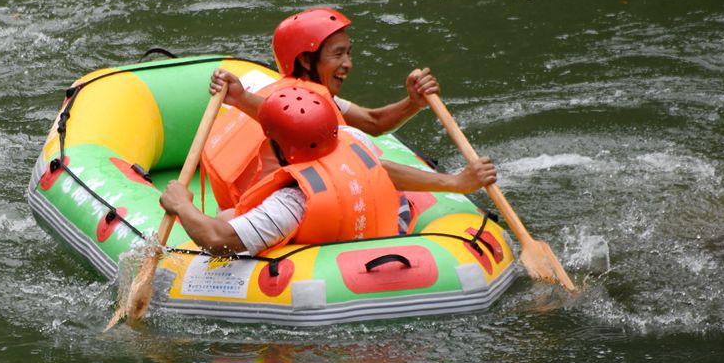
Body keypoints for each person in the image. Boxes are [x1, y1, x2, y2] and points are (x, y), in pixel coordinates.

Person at [163, 85, 495, 255]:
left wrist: (181, 205)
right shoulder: (351, 140)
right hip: (384, 245)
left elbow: (218, 239)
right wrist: (455, 183)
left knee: (223, 218)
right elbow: (383, 171)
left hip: (323, 288)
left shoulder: (291, 201)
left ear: (277, 145)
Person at [203, 7, 444, 208]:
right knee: (399, 204)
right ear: (306, 60)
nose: (348, 64)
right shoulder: (296, 106)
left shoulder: (311, 96)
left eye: (348, 53)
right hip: (273, 207)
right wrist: (456, 182)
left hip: (249, 203)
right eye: (338, 54)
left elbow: (373, 122)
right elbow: (279, 115)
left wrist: (413, 103)